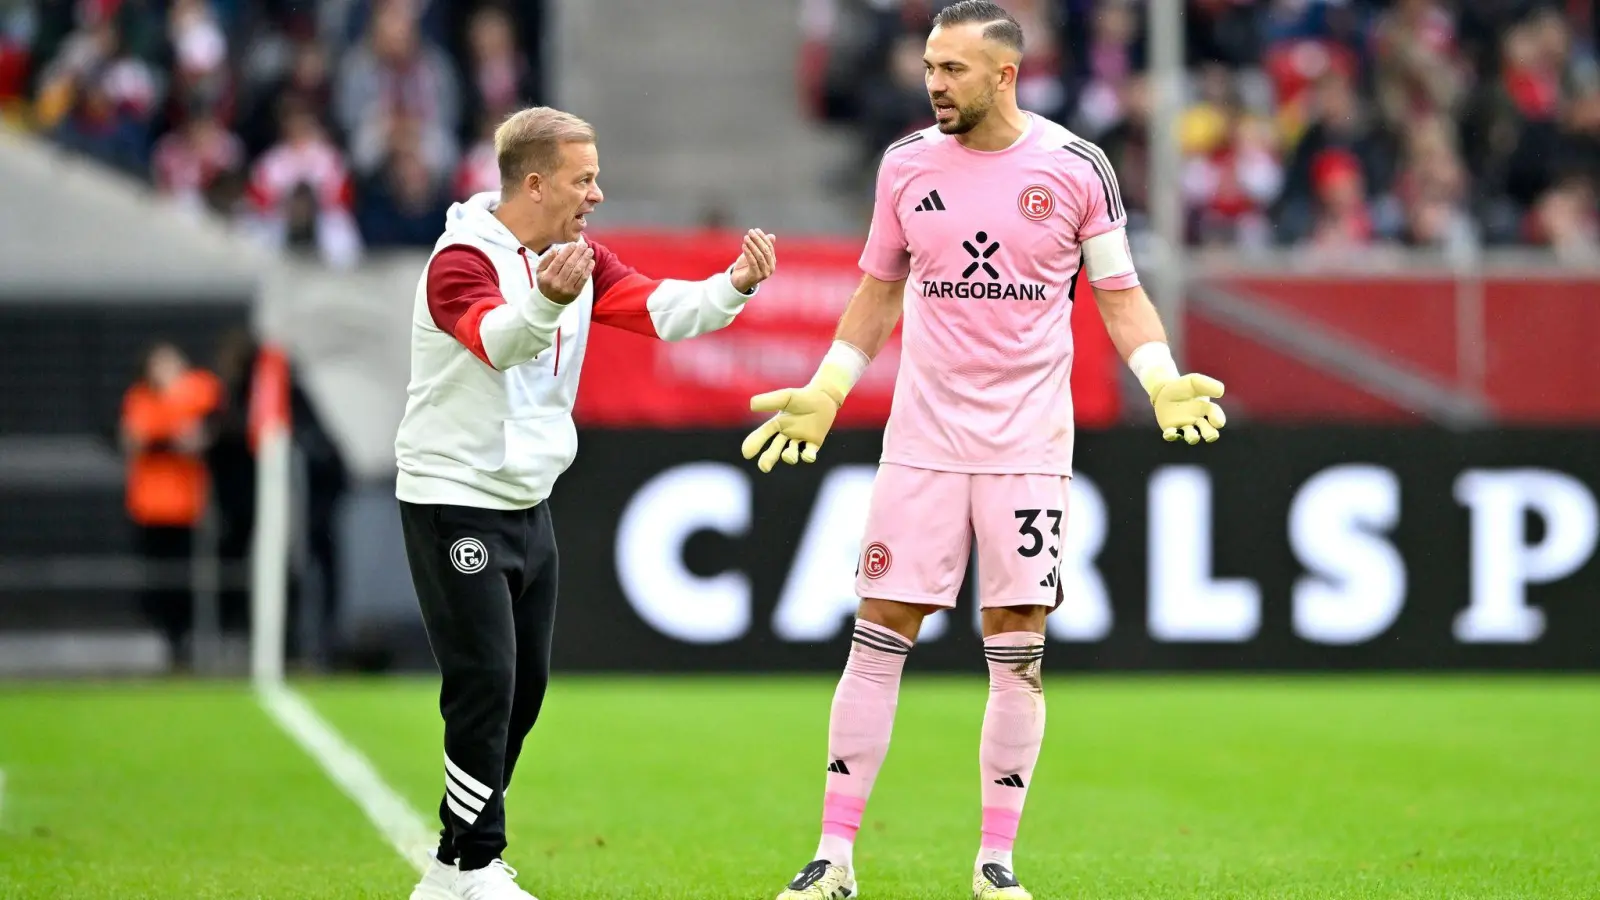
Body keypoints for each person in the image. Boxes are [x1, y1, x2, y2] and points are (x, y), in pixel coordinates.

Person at [740, 4, 1228, 900]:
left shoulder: (1077, 168)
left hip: (1028, 446)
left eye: (953, 69)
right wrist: (827, 388)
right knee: (878, 633)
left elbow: (1119, 294)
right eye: (929, 66)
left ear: (1005, 75)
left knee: (1017, 645)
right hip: (923, 441)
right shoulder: (903, 165)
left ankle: (995, 863)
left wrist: (1160, 378)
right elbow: (879, 291)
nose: (933, 83)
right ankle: (833, 856)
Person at [394, 105, 778, 900]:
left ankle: (447, 869)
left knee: (523, 690)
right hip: (454, 498)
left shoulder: (573, 255)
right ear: (534, 184)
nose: (597, 194)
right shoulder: (458, 260)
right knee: (486, 682)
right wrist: (542, 304)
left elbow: (659, 310)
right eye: (584, 179)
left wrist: (733, 285)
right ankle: (476, 863)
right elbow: (495, 341)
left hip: (527, 500)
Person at [119, 341, 222, 669]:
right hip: (150, 507)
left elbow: (206, 425)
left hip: (186, 506)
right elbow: (135, 438)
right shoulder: (141, 399)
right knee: (156, 578)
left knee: (185, 578)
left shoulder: (197, 390)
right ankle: (167, 638)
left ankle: (185, 639)